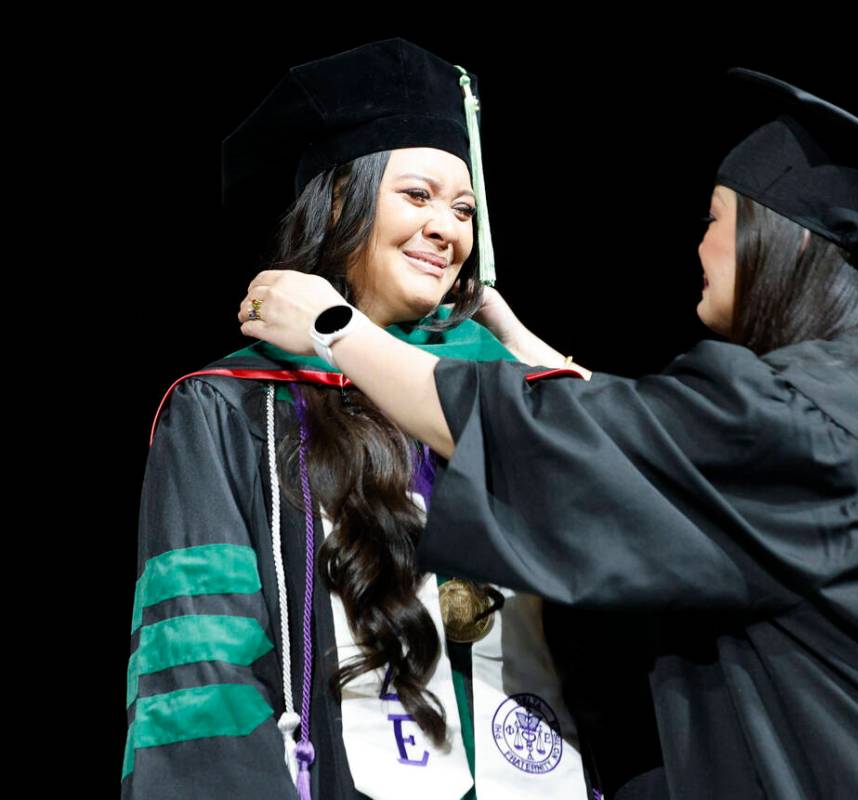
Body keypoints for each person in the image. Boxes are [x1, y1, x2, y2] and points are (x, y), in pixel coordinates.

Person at [235, 68, 858, 798]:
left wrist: (335, 328)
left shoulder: (796, 418)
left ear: (771, 244)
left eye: (714, 220)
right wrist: (518, 339)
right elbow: (644, 438)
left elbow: (579, 441)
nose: (701, 246)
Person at [124, 40, 592, 800]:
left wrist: (515, 340)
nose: (448, 228)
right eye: (416, 195)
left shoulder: (510, 393)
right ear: (339, 202)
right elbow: (205, 659)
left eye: (464, 208)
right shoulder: (232, 405)